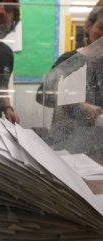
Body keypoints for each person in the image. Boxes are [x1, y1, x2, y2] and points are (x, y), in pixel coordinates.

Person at [36, 0, 103, 160]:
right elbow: (43, 94)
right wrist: (79, 105)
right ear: (87, 27)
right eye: (101, 28)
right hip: (67, 148)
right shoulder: (70, 59)